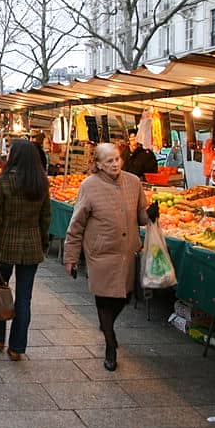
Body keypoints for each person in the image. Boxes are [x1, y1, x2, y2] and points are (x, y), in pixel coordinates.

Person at [64, 143, 154, 372]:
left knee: (125, 296)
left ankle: (107, 329)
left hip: (127, 252)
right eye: (108, 161)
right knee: (104, 300)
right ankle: (110, 345)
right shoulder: (89, 186)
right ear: (98, 164)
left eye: (117, 159)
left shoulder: (133, 182)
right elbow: (77, 225)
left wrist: (150, 214)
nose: (114, 164)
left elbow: (141, 217)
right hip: (101, 254)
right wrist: (71, 257)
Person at [0, 140, 51, 361]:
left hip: (5, 245)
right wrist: (43, 243)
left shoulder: (3, 182)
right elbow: (45, 218)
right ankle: (17, 348)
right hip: (31, 246)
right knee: (24, 298)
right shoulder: (41, 183)